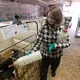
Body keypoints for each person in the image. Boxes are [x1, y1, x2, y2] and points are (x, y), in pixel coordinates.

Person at [31, 5, 70, 80]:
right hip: (45, 54)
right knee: (43, 69)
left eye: (52, 18)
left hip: (56, 55)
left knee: (54, 66)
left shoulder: (62, 29)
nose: (50, 19)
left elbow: (68, 42)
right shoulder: (44, 27)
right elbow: (38, 40)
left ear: (57, 18)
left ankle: (53, 70)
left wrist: (56, 45)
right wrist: (33, 50)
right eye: (48, 17)